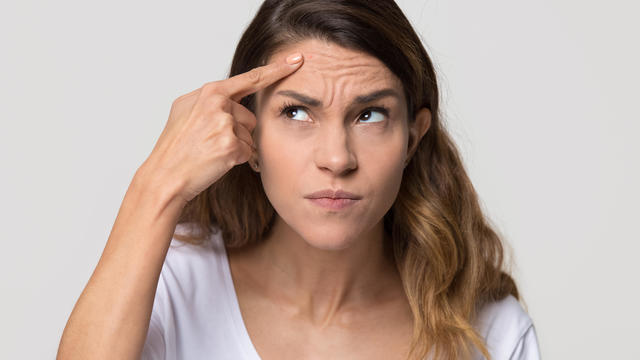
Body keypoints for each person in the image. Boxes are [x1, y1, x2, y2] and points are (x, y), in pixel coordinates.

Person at [57, 0, 540, 359]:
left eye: (369, 114)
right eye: (296, 112)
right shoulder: (173, 286)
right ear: (247, 134)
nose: (336, 158)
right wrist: (156, 186)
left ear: (413, 140)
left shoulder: (489, 332)